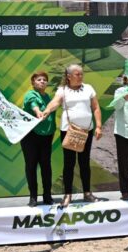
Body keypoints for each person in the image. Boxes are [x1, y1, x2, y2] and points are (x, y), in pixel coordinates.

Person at [41, 64, 103, 208]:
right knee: (69, 163)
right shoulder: (62, 90)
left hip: (86, 130)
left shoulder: (88, 88)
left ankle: (87, 193)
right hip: (68, 130)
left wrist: (99, 126)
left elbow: (96, 107)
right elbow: (55, 102)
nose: (80, 76)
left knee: (84, 162)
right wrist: (47, 111)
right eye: (77, 74)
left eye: (81, 74)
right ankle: (67, 194)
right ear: (68, 76)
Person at [21, 72, 56, 206]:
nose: (42, 82)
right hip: (31, 136)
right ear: (33, 83)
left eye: (45, 80)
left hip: (46, 136)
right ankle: (33, 197)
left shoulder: (48, 96)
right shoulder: (30, 94)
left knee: (46, 166)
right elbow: (33, 104)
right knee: (31, 165)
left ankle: (47, 195)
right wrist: (38, 112)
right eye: (39, 80)